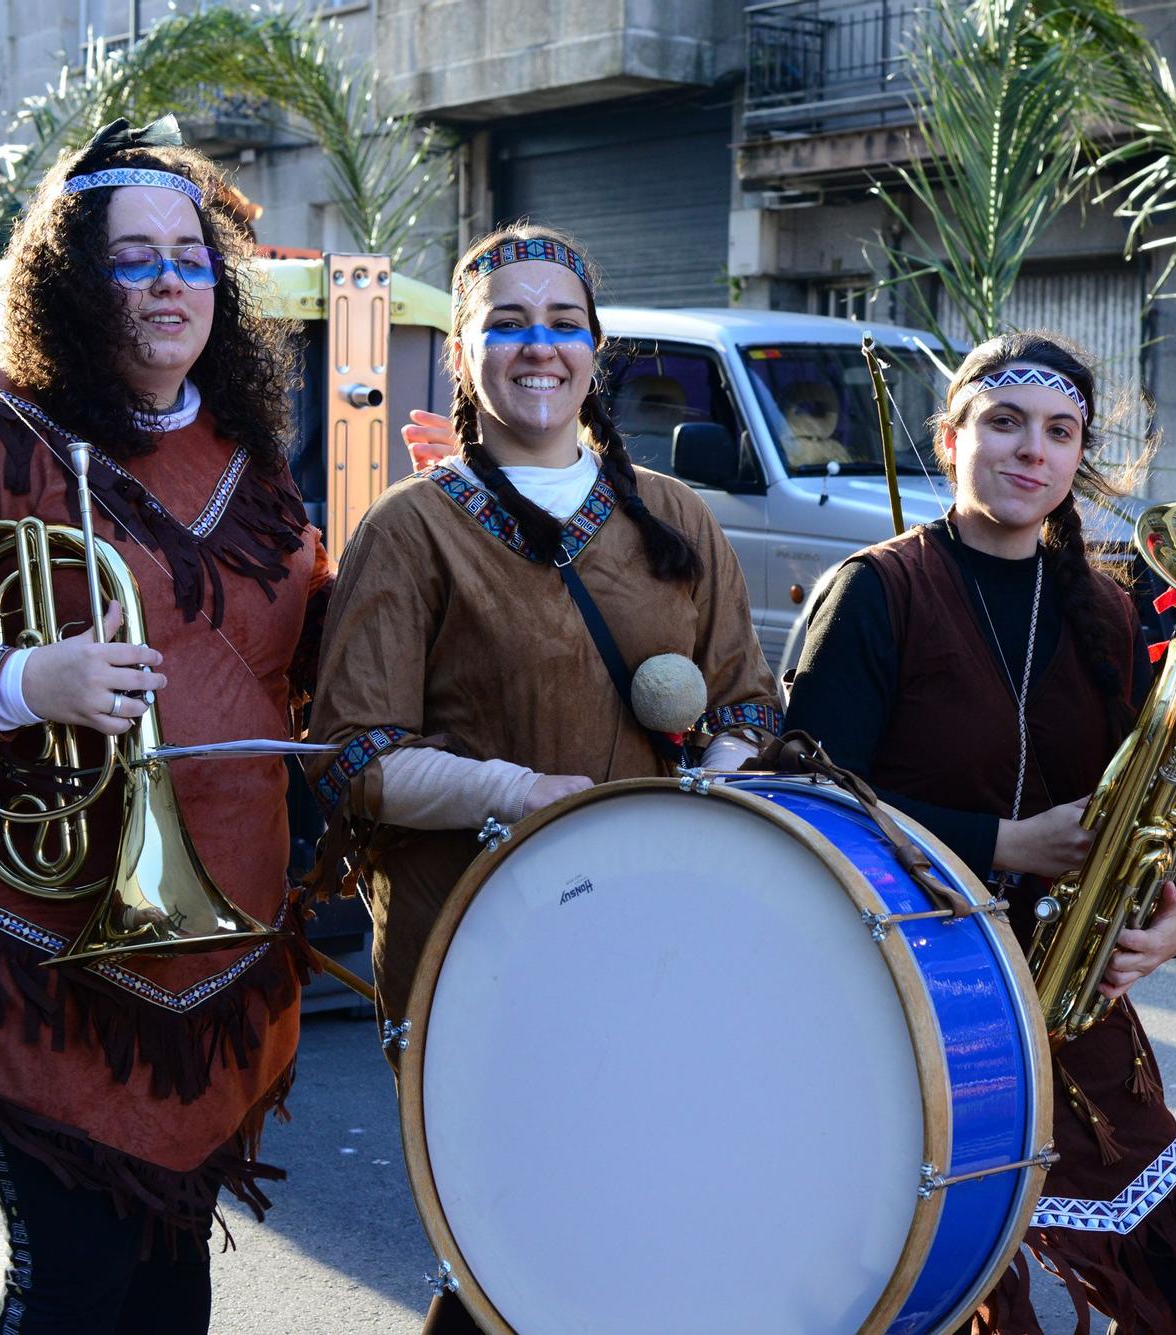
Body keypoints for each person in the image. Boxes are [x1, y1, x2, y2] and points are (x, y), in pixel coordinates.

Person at [0, 117, 328, 1331]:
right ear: (71, 279)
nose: (170, 280)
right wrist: (22, 682)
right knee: (76, 1286)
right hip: (32, 951)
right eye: (132, 257)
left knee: (171, 1298)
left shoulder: (249, 460)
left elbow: (297, 647)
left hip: (209, 951)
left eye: (192, 254)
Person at [304, 221, 780, 1335]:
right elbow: (356, 759)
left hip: (654, 926)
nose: (538, 346)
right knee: (513, 1250)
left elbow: (747, 704)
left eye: (563, 323)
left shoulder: (675, 518)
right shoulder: (409, 529)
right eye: (506, 323)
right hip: (473, 936)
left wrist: (701, 793)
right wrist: (518, 794)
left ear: (594, 348)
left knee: (645, 1232)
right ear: (465, 352)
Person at [784, 330, 1176, 1335]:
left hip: (1067, 997)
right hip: (905, 990)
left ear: (1076, 455)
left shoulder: (1107, 605)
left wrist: (1174, 923)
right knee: (956, 1299)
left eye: (1056, 431)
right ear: (950, 438)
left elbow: (1155, 806)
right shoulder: (875, 590)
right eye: (1001, 423)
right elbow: (808, 804)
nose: (1027, 450)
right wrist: (1003, 843)